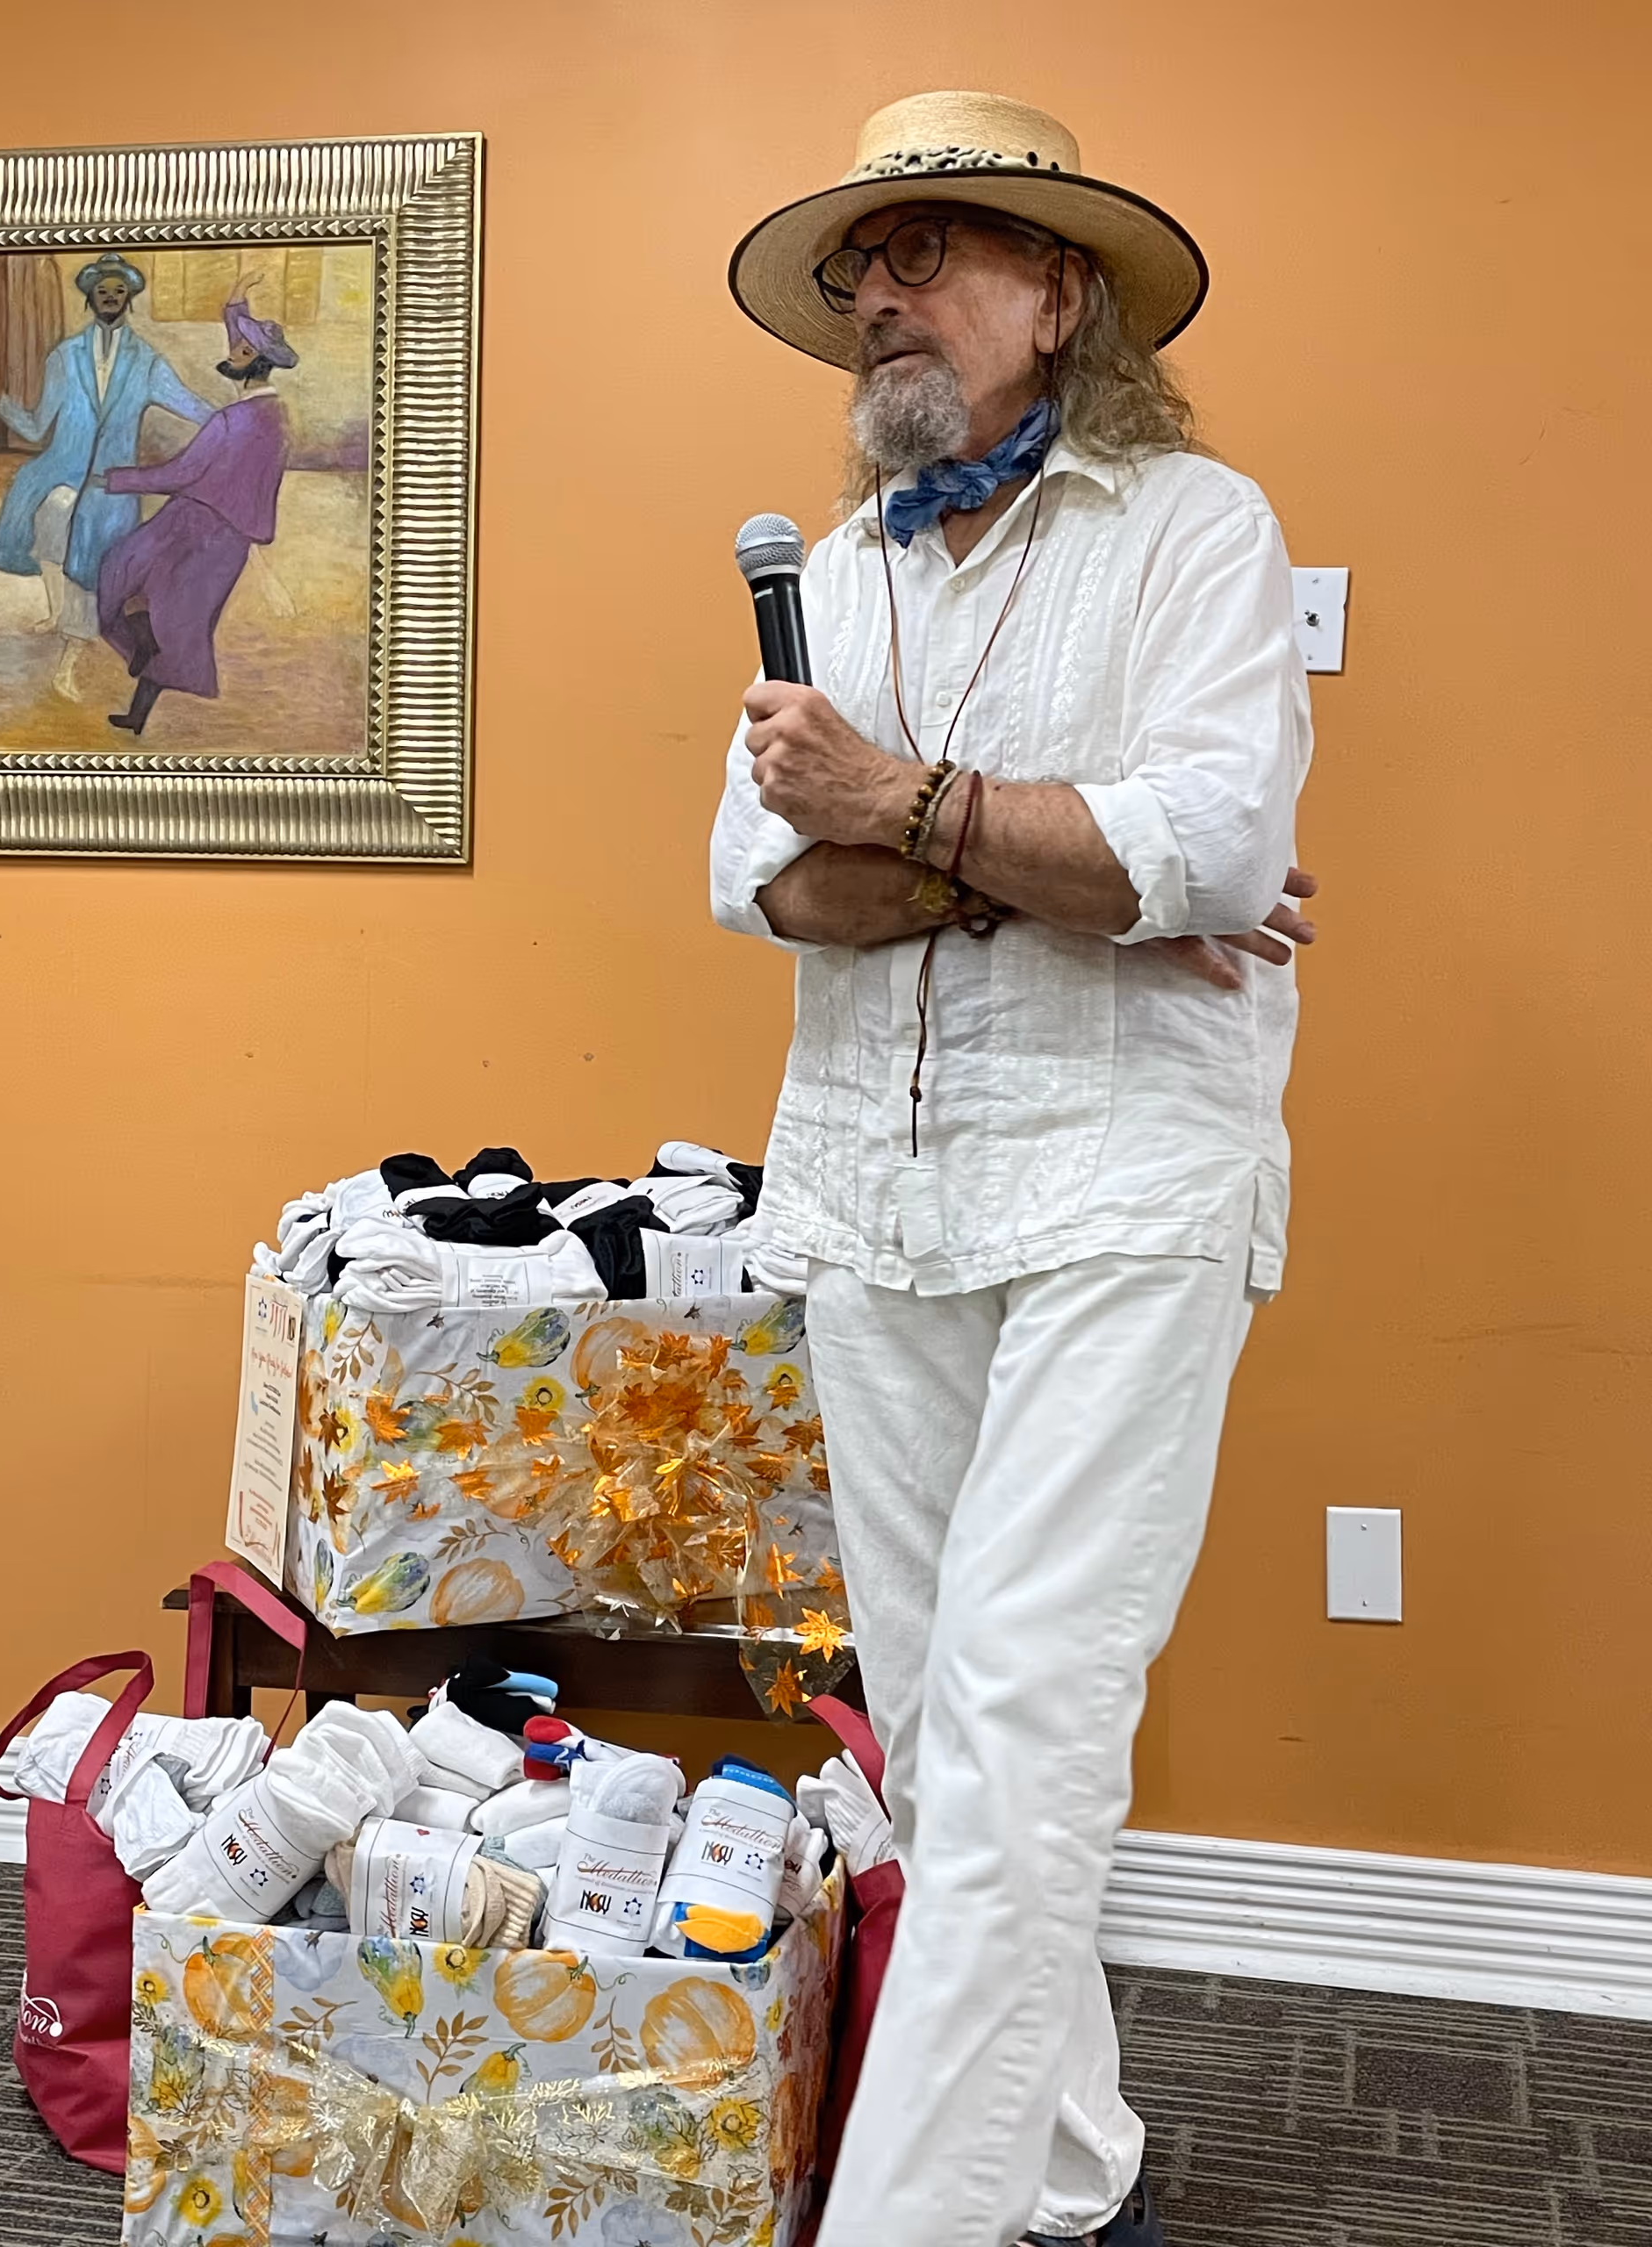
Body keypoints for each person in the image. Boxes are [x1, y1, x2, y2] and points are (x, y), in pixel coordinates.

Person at [712, 91, 1316, 2247]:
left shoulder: (1193, 532)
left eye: (931, 251)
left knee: (1020, 1741)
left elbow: (1217, 852)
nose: (878, 294)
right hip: (874, 1199)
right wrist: (1029, 854)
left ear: (1059, 295)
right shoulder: (829, 578)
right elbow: (765, 888)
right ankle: (1069, 2176)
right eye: (859, 267)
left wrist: (905, 810)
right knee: (941, 1733)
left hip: (1118, 1185)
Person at [0, 255, 215, 701]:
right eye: (103, 291)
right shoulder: (65, 356)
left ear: (128, 300)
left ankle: (68, 662)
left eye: (119, 292)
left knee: (91, 568)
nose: (110, 298)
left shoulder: (146, 361)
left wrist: (233, 424)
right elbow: (36, 426)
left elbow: (189, 404)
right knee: (49, 523)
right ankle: (56, 614)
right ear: (90, 297)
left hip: (111, 486)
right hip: (62, 472)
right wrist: (3, 401)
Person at [96, 293, 296, 736]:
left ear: (252, 360)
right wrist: (236, 303)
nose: (229, 355)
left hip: (195, 529)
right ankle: (142, 658)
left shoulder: (230, 422)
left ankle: (139, 691)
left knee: (135, 589)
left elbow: (180, 472)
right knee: (165, 613)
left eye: (238, 350)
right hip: (224, 537)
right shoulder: (278, 416)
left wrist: (116, 479)